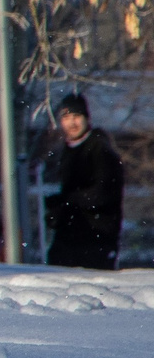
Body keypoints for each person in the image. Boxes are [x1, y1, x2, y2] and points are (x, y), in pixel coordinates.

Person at [45, 92, 125, 270]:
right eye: (66, 117)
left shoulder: (99, 149)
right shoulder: (68, 150)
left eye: (76, 116)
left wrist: (67, 202)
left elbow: (102, 193)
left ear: (86, 118)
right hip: (72, 238)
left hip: (96, 239)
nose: (71, 123)